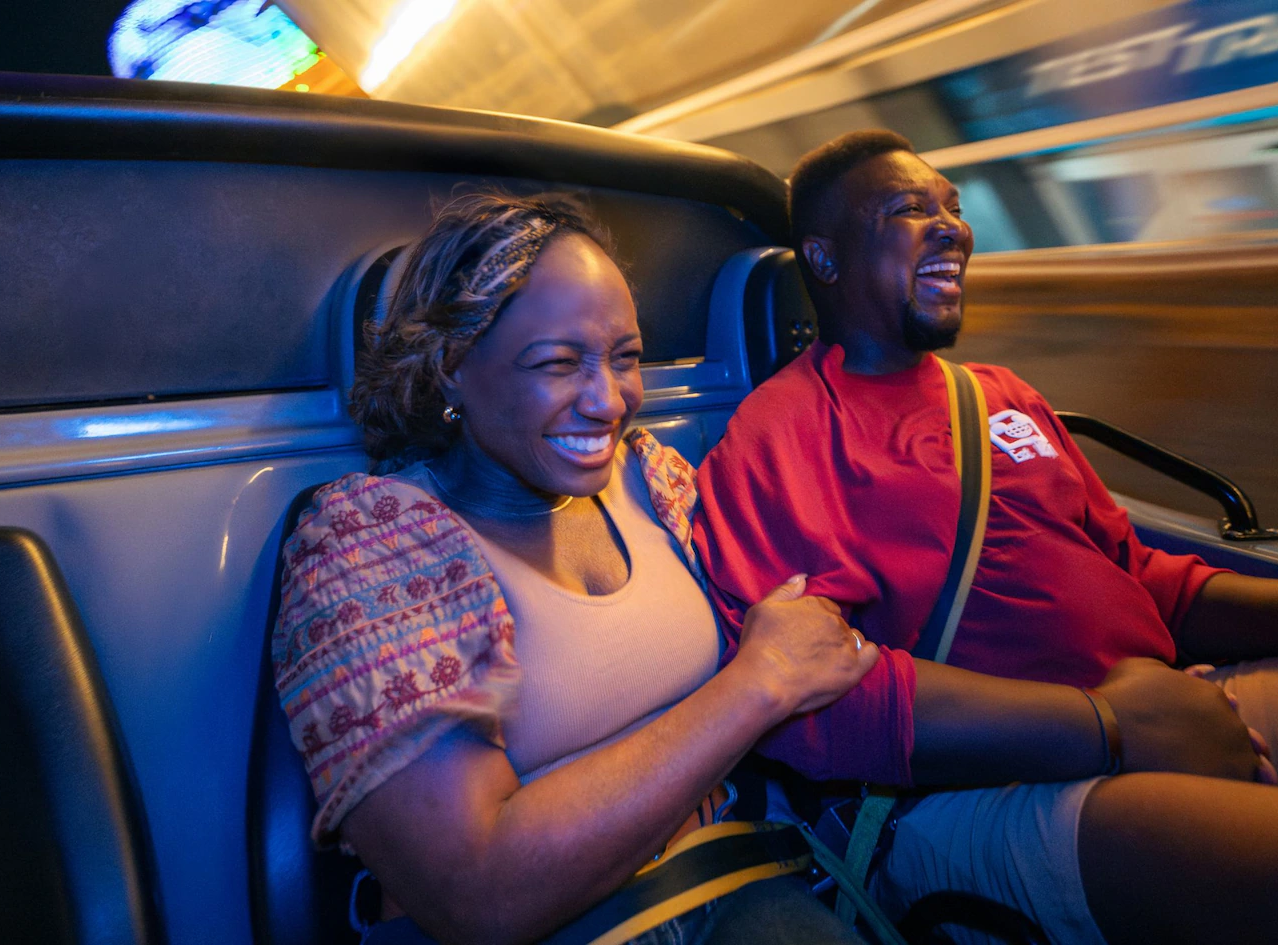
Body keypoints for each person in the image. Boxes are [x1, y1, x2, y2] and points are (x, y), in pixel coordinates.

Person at [693, 131, 1278, 945]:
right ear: (824, 259)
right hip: (973, 792)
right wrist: (1110, 726)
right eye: (909, 210)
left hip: (1169, 702)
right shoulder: (784, 433)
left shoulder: (997, 394)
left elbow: (1147, 578)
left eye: (952, 204)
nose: (952, 226)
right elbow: (814, 704)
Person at [274, 193, 877, 945]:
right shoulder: (371, 545)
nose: (608, 401)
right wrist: (757, 685)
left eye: (625, 358)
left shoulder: (653, 481)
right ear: (451, 367)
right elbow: (478, 892)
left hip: (730, 881)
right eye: (558, 364)